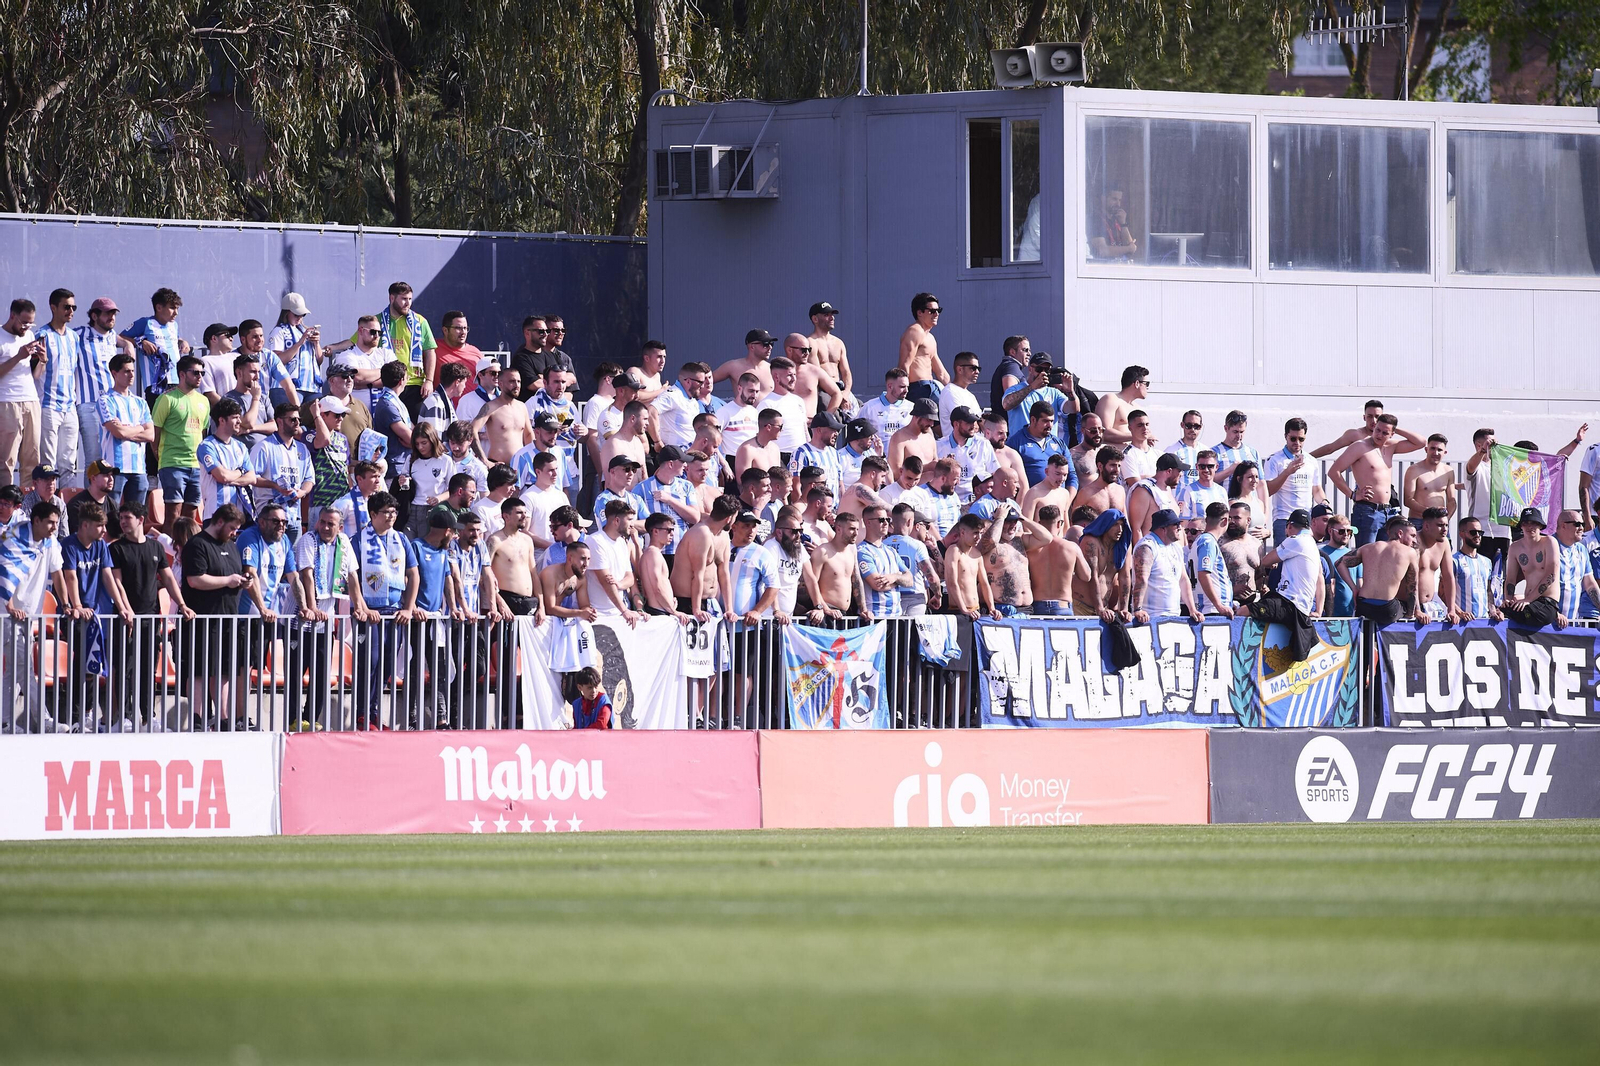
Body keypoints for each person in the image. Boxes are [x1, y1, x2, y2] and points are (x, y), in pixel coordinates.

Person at [103, 500, 191, 726]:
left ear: (141, 520)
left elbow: (169, 578)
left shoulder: (155, 548)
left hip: (151, 618)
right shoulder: (116, 548)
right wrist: (127, 611)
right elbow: (117, 582)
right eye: (121, 518)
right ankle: (124, 716)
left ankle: (148, 715)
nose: (123, 522)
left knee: (148, 669)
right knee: (125, 668)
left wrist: (181, 604)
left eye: (127, 518)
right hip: (125, 619)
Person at [0, 501, 78, 732]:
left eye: (56, 522)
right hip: (7, 614)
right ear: (36, 521)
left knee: (14, 670)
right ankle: (44, 720)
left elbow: (58, 574)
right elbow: (3, 573)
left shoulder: (51, 543)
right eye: (50, 523)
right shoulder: (10, 538)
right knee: (24, 668)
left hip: (30, 614)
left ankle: (5, 722)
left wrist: (66, 604)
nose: (55, 527)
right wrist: (10, 605)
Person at [290, 504, 368, 730]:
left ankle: (311, 718)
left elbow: (352, 577)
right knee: (296, 672)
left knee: (322, 674)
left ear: (340, 527)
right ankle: (293, 718)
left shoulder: (344, 543)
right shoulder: (308, 540)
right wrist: (312, 608)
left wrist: (360, 606)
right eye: (322, 522)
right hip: (300, 617)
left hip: (326, 620)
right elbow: (307, 574)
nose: (324, 527)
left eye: (330, 524)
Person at [179, 504, 257, 729]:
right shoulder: (197, 545)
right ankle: (196, 718)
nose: (234, 533)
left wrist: (245, 581)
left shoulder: (231, 546)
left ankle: (222, 718)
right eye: (232, 528)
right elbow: (195, 580)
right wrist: (228, 581)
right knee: (199, 671)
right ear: (220, 522)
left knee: (223, 672)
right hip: (202, 620)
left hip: (227, 620)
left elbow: (235, 575)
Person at [352, 491, 419, 728]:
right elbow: (352, 577)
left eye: (394, 512)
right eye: (386, 512)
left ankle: (374, 711)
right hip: (369, 613)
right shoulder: (358, 539)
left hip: (394, 612)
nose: (391, 516)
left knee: (387, 664)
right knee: (369, 662)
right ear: (372, 514)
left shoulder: (401, 539)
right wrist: (361, 606)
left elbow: (413, 574)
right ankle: (362, 713)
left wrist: (408, 608)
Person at [1326, 413, 1426, 546]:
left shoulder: (1391, 447)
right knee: (1365, 554)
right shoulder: (1360, 446)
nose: (1379, 435)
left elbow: (1421, 442)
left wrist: (1395, 427)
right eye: (1377, 430)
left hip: (1388, 511)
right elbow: (1334, 472)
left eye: (1385, 432)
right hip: (1368, 510)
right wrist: (1353, 494)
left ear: (1392, 434)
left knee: (1384, 555)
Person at [73, 297, 133, 483]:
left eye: (113, 313)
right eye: (107, 313)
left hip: (111, 404)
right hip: (89, 404)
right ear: (94, 315)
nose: (111, 317)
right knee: (93, 458)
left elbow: (121, 340)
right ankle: (89, 506)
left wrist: (127, 344)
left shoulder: (111, 337)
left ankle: (106, 503)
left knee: (111, 458)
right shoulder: (79, 334)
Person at [151, 355, 211, 531]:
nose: (200, 376)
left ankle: (185, 554)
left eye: (202, 373)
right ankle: (169, 555)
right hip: (173, 463)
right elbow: (154, 434)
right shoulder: (167, 399)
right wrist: (162, 458)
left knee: (190, 517)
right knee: (173, 515)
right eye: (195, 372)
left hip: (196, 466)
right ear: (182, 374)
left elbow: (203, 433)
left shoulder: (203, 401)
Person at [1335, 514, 1420, 627]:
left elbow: (1339, 563)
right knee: (1403, 604)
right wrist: (1411, 614)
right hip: (1387, 609)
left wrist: (1354, 588)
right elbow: (1412, 587)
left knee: (1365, 641)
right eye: (1412, 536)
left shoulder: (1368, 547)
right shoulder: (1409, 552)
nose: (1415, 541)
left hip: (1363, 605)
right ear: (1400, 533)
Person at [35, 290, 82, 491]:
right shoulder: (42, 335)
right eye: (66, 307)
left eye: (73, 307)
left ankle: (67, 507)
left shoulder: (74, 337)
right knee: (48, 460)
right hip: (48, 405)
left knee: (69, 460)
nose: (70, 311)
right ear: (53, 307)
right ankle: (47, 506)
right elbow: (34, 372)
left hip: (69, 406)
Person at [250, 403, 315, 543]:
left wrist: (302, 492)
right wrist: (275, 486)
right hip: (270, 516)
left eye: (299, 420)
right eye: (292, 419)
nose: (297, 423)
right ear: (279, 421)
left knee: (291, 561)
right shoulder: (264, 447)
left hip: (294, 518)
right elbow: (252, 478)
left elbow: (310, 479)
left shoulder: (302, 449)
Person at [97, 353, 154, 509]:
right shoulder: (105, 400)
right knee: (112, 515)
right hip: (115, 468)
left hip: (139, 469)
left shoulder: (140, 402)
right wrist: (140, 428)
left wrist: (127, 428)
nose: (131, 375)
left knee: (136, 517)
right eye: (126, 371)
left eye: (133, 371)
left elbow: (151, 435)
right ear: (115, 373)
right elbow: (118, 433)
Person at [370, 282, 434, 417]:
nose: (408, 303)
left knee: (417, 428)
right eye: (404, 299)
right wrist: (333, 347)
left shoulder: (420, 321)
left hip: (414, 385)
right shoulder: (377, 321)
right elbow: (357, 341)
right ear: (392, 298)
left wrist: (429, 381)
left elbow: (429, 351)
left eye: (410, 299)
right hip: (388, 385)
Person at [0, 300, 45, 492]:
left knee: (32, 457)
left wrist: (43, 360)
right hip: (7, 402)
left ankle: (28, 504)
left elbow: (35, 376)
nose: (26, 327)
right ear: (12, 316)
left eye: (31, 323)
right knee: (6, 459)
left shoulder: (30, 336)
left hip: (31, 400)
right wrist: (18, 356)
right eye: (24, 322)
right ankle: (6, 504)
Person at [671, 494, 738, 619]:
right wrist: (696, 609)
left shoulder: (723, 536)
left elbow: (724, 573)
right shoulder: (701, 533)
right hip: (688, 602)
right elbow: (697, 574)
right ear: (729, 518)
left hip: (710, 602)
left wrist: (729, 609)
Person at [1127, 509, 1200, 622]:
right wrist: (1138, 609)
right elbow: (1141, 579)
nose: (1179, 528)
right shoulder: (1147, 547)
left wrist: (1192, 610)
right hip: (1150, 617)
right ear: (1163, 528)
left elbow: (1183, 579)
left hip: (1174, 615)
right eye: (1175, 525)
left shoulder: (1176, 547)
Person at [1262, 418, 1325, 544]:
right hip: (1284, 519)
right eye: (1293, 439)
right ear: (1286, 436)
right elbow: (1268, 490)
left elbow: (1317, 490)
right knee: (1283, 560)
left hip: (1306, 518)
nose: (1297, 443)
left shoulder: (1311, 460)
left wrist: (1325, 504)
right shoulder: (1274, 460)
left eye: (1301, 439)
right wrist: (1287, 472)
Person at [197, 397, 260, 522]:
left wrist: (232, 480)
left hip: (240, 516)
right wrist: (240, 471)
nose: (239, 421)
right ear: (222, 420)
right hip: (215, 515)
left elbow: (252, 478)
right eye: (235, 417)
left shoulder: (241, 447)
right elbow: (222, 476)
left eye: (239, 417)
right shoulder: (207, 446)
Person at [123, 287, 189, 404]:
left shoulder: (174, 325)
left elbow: (174, 339)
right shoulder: (145, 323)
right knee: (157, 421)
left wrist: (182, 342)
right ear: (159, 307)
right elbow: (120, 337)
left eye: (177, 308)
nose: (176, 313)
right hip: (155, 384)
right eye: (172, 308)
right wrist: (141, 342)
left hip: (177, 380)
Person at [585, 498, 642, 625]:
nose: (633, 525)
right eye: (629, 520)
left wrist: (619, 584)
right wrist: (624, 611)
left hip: (618, 614)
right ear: (616, 520)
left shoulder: (622, 542)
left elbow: (630, 577)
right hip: (597, 615)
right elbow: (605, 581)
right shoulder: (595, 541)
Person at [266, 293, 323, 407]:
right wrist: (300, 342)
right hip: (286, 387)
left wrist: (316, 344)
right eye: (297, 314)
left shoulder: (304, 330)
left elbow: (319, 361)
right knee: (289, 421)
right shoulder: (279, 331)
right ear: (287, 313)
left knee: (314, 421)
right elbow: (277, 360)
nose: (300, 318)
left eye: (303, 315)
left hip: (311, 387)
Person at [1412, 507, 1464, 623]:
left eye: (1446, 525)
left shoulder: (1444, 542)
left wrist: (1451, 610)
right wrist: (1416, 609)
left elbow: (1448, 577)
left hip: (1429, 606)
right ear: (1426, 526)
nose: (1444, 529)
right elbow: (1410, 578)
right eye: (1440, 525)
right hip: (1410, 606)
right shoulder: (1414, 542)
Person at [944, 513, 998, 619]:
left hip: (975, 611)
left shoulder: (977, 554)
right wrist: (964, 610)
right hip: (958, 610)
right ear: (963, 532)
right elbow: (952, 583)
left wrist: (992, 608)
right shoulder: (954, 551)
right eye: (975, 533)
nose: (979, 537)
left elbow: (984, 584)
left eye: (981, 533)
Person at [897, 293, 949, 402]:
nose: (936, 314)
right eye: (932, 311)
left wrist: (954, 390)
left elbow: (941, 373)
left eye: (938, 310)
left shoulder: (930, 338)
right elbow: (904, 365)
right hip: (918, 388)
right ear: (919, 312)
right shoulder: (914, 331)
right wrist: (903, 391)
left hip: (931, 387)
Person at [406, 422, 455, 535]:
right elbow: (405, 483)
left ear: (432, 440)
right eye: (417, 444)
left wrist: (438, 498)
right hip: (411, 510)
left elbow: (452, 490)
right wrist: (403, 481)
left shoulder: (445, 460)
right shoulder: (411, 459)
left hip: (434, 510)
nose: (420, 447)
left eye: (424, 443)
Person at [1553, 509, 1600, 623]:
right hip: (1549, 622)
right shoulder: (1548, 545)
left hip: (1573, 623)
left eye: (1582, 524)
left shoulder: (1582, 550)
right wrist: (1552, 613)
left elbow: (1590, 585)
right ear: (1563, 525)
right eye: (1577, 524)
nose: (1581, 528)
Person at [758, 356, 809, 459]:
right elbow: (761, 437)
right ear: (776, 377)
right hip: (779, 457)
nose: (794, 379)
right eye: (789, 375)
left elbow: (805, 431)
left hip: (802, 455)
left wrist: (809, 450)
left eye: (795, 374)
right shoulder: (767, 404)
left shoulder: (798, 401)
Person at [652, 361, 710, 451]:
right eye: (700, 382)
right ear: (688, 381)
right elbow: (651, 412)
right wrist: (657, 442)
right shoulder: (672, 395)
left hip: (690, 454)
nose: (702, 386)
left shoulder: (693, 401)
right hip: (674, 456)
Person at [1404, 434, 1459, 525]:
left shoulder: (1448, 471)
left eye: (1439, 450)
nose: (1436, 453)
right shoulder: (1414, 469)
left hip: (1440, 522)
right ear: (1426, 450)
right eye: (1432, 448)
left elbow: (1452, 501)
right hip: (1419, 521)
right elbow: (1408, 500)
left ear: (1445, 452)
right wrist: (1429, 513)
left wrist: (1446, 519)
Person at [1128, 453, 1185, 541]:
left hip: (1172, 551)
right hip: (1152, 549)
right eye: (1179, 470)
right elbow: (1136, 529)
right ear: (1169, 471)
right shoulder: (1143, 490)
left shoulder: (1168, 490)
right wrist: (1141, 553)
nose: (1181, 474)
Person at [858, 367, 913, 457]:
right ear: (890, 386)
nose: (906, 390)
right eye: (902, 387)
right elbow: (856, 434)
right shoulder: (869, 407)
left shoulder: (912, 408)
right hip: (877, 461)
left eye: (907, 387)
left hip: (904, 462)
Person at [790, 411, 845, 500]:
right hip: (812, 509)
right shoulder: (801, 453)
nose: (836, 433)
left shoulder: (834, 453)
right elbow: (796, 486)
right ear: (819, 430)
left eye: (837, 430)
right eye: (833, 430)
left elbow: (840, 484)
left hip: (833, 510)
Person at [783, 336, 842, 418]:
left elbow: (837, 393)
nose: (807, 353)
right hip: (784, 424)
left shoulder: (815, 371)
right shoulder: (777, 372)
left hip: (810, 425)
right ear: (789, 350)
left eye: (809, 350)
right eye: (803, 350)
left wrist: (826, 418)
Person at [1191, 502, 1234, 617]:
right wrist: (1219, 605)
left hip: (1210, 607)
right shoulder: (1207, 542)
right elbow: (1203, 575)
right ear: (1225, 521)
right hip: (1212, 609)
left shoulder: (1200, 540)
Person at [807, 301, 853, 403]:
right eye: (826, 315)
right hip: (824, 392)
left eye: (832, 315)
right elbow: (817, 375)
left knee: (860, 411)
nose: (832, 318)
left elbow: (846, 372)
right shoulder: (810, 343)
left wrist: (846, 392)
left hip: (840, 389)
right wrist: (837, 394)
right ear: (815, 319)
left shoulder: (838, 343)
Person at [1219, 501, 1264, 604]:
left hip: (1252, 603)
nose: (1231, 521)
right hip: (1228, 602)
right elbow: (1211, 577)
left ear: (1248, 520)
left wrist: (1263, 586)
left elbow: (1260, 574)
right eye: (1230, 518)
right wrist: (1232, 589)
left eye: (1237, 518)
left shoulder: (1257, 544)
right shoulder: (1221, 543)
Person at [1310, 399, 1386, 459]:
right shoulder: (1355, 435)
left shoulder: (1387, 436)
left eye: (1377, 416)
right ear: (1364, 417)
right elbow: (1330, 448)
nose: (1374, 420)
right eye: (1370, 416)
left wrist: (1393, 428)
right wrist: (1306, 457)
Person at [887, 397, 940, 481]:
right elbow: (896, 474)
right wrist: (926, 467)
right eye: (929, 419)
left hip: (932, 490)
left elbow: (935, 463)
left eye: (933, 420)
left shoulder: (929, 435)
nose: (932, 424)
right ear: (916, 417)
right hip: (909, 491)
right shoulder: (899, 438)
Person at [1094, 365, 1148, 445]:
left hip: (1133, 455)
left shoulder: (1138, 408)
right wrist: (1136, 436)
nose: (1147, 388)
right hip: (1112, 455)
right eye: (1146, 383)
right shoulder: (1111, 399)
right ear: (1137, 383)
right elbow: (1103, 432)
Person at [711, 330, 777, 394]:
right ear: (752, 347)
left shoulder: (772, 369)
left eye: (771, 343)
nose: (770, 347)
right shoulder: (733, 366)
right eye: (765, 344)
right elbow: (705, 381)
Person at [718, 372, 764, 461]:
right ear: (739, 388)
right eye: (751, 391)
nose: (754, 395)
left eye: (757, 391)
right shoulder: (724, 412)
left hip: (753, 459)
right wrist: (724, 465)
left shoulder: (755, 412)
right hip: (732, 460)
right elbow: (712, 441)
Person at [1321, 514, 1359, 619]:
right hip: (1327, 615)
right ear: (1330, 531)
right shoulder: (1320, 554)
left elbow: (1360, 584)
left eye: (1349, 531)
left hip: (1351, 615)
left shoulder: (1355, 555)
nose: (1346, 534)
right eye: (1341, 531)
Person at [432, 311, 482, 389]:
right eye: (458, 328)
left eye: (465, 328)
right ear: (445, 330)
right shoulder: (433, 349)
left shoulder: (476, 353)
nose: (463, 332)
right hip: (443, 400)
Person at [67, 460, 118, 536]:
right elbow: (79, 537)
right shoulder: (77, 505)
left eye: (112, 475)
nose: (111, 479)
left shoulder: (114, 505)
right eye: (106, 475)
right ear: (93, 478)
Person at [937, 352, 983, 434]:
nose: (977, 372)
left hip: (973, 445)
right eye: (973, 368)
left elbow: (980, 422)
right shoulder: (950, 392)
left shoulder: (970, 396)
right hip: (956, 446)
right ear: (960, 369)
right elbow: (964, 422)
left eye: (978, 369)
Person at [734, 408, 784, 482]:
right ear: (768, 427)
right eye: (780, 426)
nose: (782, 430)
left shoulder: (775, 448)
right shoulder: (747, 449)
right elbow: (742, 482)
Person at [1176, 448, 1227, 521]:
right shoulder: (1187, 491)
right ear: (1197, 467)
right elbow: (1183, 522)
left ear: (1216, 467)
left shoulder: (1221, 491)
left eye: (1210, 466)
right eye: (1202, 466)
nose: (1206, 470)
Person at [1075, 447, 1127, 516]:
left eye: (1119, 466)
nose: (1117, 470)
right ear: (1100, 466)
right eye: (1113, 465)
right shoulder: (1086, 493)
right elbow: (1075, 523)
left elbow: (1124, 521)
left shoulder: (1120, 491)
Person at [1226, 461, 1271, 541]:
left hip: (1259, 550)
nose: (1254, 480)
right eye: (1250, 477)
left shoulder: (1259, 503)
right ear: (1239, 479)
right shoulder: (1233, 504)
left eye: (1257, 477)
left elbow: (1263, 526)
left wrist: (1268, 533)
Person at [989, 335, 1031, 415]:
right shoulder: (1011, 366)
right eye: (1025, 350)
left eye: (1029, 350)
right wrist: (1032, 387)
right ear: (1012, 352)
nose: (1029, 353)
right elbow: (1010, 398)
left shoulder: (1009, 366)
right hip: (1008, 424)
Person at [1164, 410, 1204, 487]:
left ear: (1201, 427)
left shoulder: (1205, 451)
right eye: (1189, 425)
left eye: (1196, 426)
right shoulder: (1171, 452)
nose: (1192, 429)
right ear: (1182, 425)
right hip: (1176, 498)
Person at [1067, 412, 1105, 487]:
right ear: (1083, 431)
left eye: (1101, 430)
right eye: (1093, 430)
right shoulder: (1072, 455)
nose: (1098, 434)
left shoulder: (1106, 451)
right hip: (1086, 497)